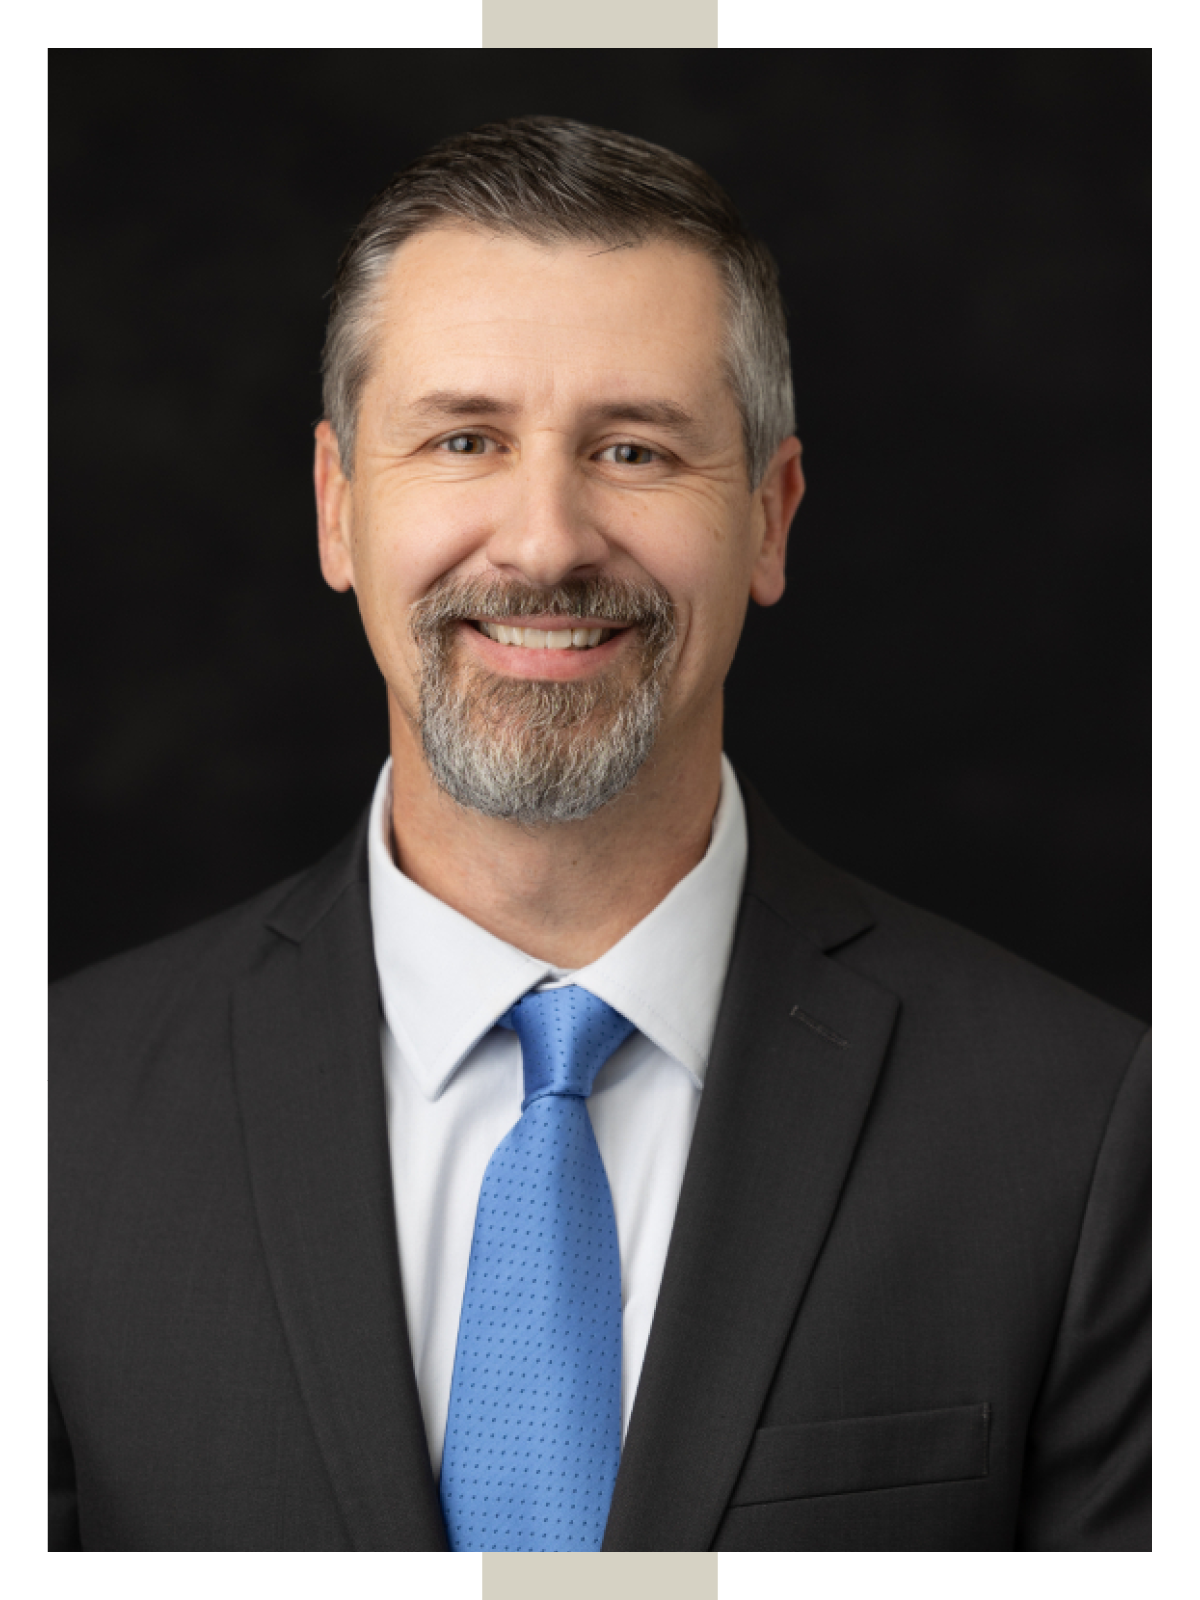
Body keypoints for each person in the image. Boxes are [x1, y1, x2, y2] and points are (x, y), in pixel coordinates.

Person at [48, 116, 1149, 1553]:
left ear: (769, 516)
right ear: (337, 508)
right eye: (464, 440)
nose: (547, 541)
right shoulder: (50, 1119)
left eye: (634, 449)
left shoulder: (1091, 1134)